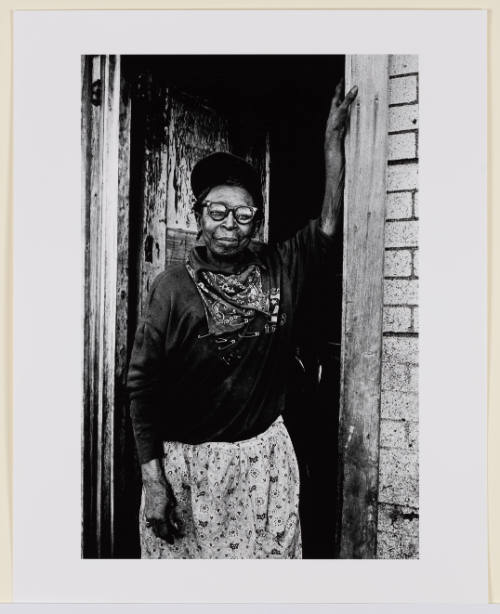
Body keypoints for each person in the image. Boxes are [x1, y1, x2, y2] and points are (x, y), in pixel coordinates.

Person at [127, 81, 358, 559]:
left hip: (262, 465)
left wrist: (331, 142)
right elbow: (141, 385)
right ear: (198, 215)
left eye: (243, 215)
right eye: (217, 212)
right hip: (189, 469)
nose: (229, 225)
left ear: (257, 221)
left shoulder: (279, 266)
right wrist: (154, 480)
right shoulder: (171, 288)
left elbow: (330, 225)